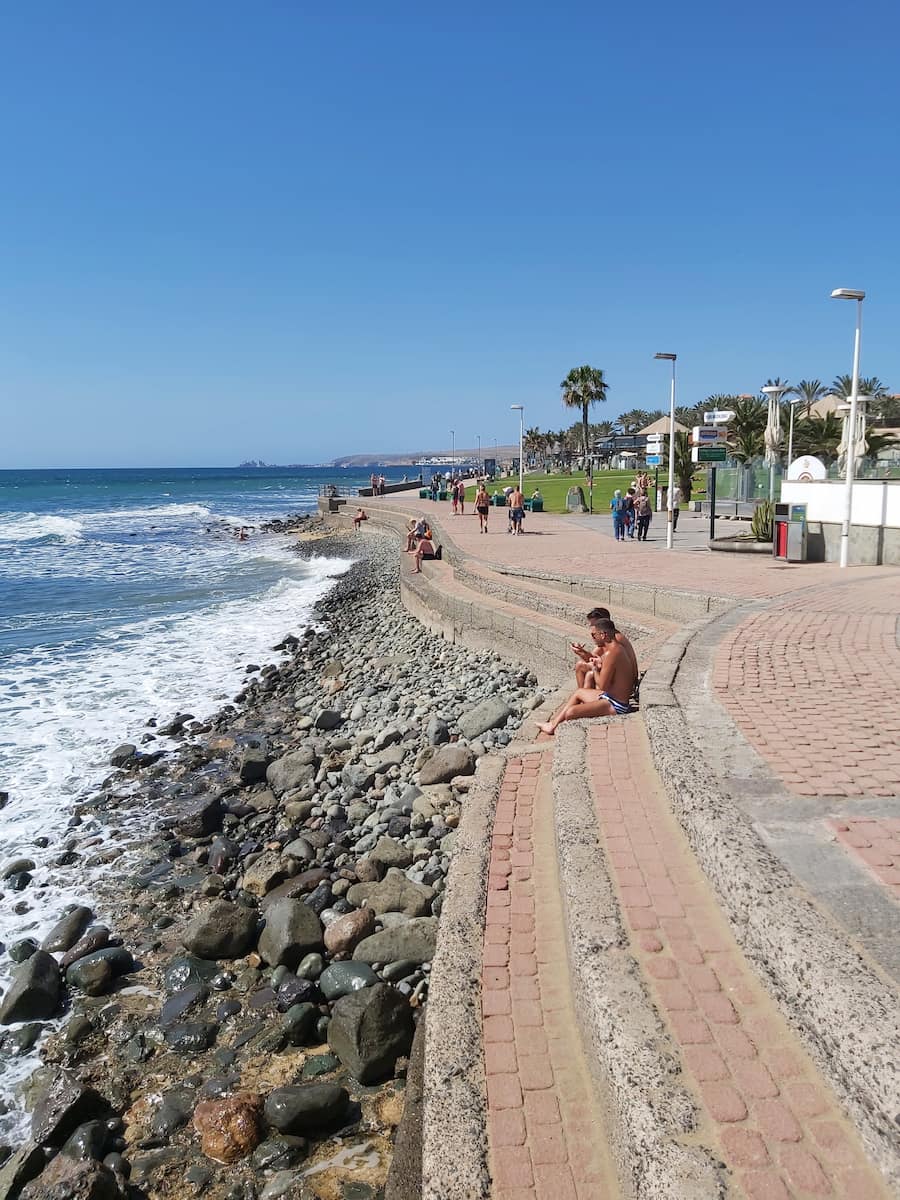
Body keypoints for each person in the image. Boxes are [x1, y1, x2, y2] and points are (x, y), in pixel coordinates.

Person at [538, 620, 638, 734]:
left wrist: (595, 668)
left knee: (571, 713)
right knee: (579, 692)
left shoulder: (612, 653)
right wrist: (595, 660)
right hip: (610, 697)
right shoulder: (616, 649)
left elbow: (602, 685)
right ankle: (552, 725)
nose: (592, 638)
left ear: (603, 635)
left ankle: (576, 720)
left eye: (594, 635)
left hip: (616, 705)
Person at [570, 608, 639, 691]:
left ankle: (583, 695)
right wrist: (581, 652)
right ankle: (583, 695)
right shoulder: (610, 636)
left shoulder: (614, 639)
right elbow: (592, 658)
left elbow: (599, 661)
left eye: (594, 625)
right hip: (622, 676)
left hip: (625, 681)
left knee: (581, 667)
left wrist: (585, 656)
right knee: (584, 668)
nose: (592, 629)